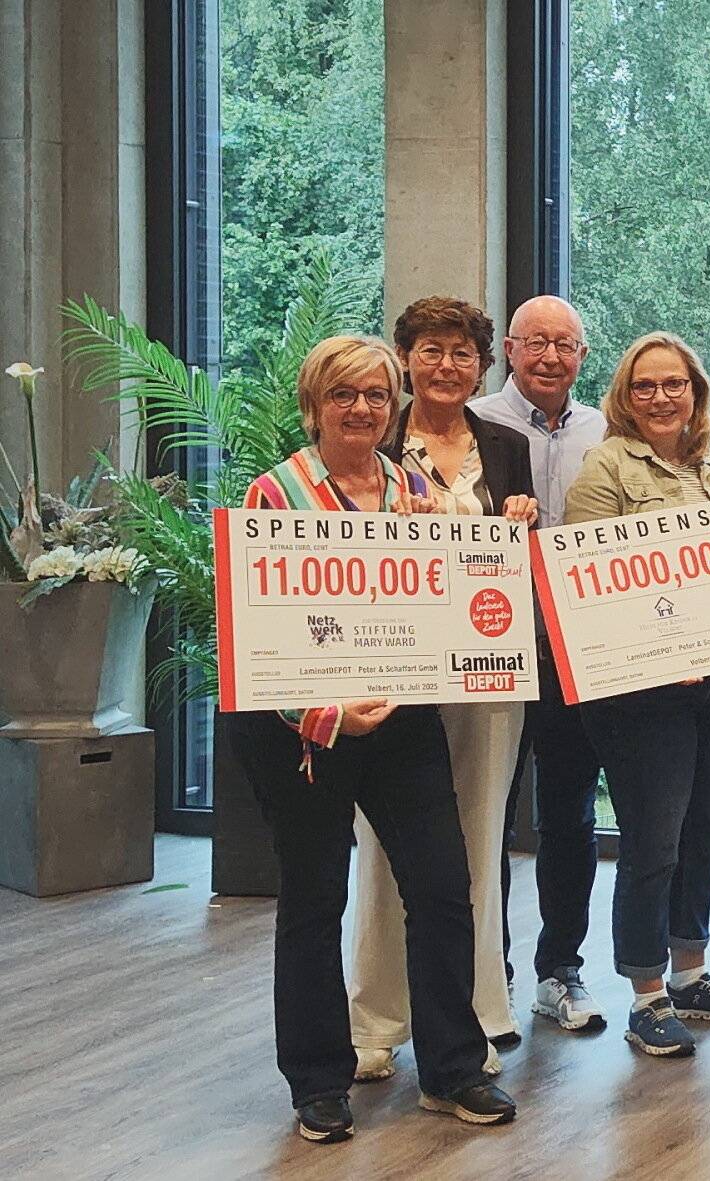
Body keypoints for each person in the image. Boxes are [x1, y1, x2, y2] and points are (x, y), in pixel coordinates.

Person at [222, 334, 515, 1143]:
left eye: (377, 395)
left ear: (394, 407)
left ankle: (453, 1068)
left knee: (443, 886)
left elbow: (442, 600)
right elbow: (255, 633)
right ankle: (319, 1082)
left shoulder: (412, 486)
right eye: (343, 394)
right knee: (315, 899)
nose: (361, 408)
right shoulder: (274, 494)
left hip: (402, 720)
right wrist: (326, 713)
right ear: (314, 405)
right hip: (305, 731)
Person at [346, 299, 539, 1081]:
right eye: (431, 350)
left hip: (488, 670)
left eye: (463, 353)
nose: (447, 366)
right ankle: (376, 1019)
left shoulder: (507, 446)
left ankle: (476, 1013)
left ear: (483, 366)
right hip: (394, 671)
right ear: (404, 358)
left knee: (479, 841)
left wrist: (525, 519)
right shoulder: (375, 437)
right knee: (383, 848)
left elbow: (519, 560)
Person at [563, 331, 710, 1057]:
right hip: (637, 691)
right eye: (644, 386)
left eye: (673, 383)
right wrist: (664, 650)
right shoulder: (606, 466)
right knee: (653, 841)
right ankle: (646, 995)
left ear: (695, 391)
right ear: (625, 395)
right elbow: (589, 583)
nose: (659, 397)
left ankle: (691, 974)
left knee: (706, 827)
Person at [470, 294, 609, 1033]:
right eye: (536, 342)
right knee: (484, 812)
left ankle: (560, 969)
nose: (551, 357)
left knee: (570, 812)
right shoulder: (475, 424)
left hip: (574, 647)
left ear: (582, 355)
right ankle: (484, 976)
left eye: (566, 344)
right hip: (491, 644)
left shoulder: (604, 429)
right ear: (510, 351)